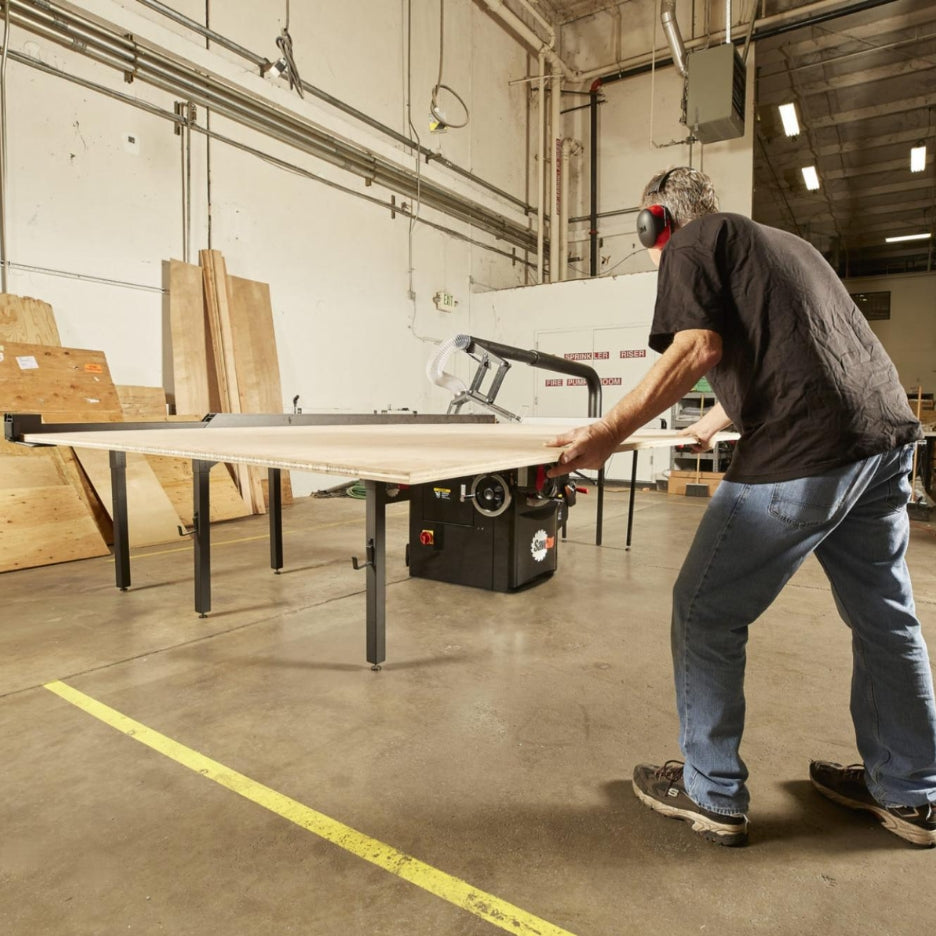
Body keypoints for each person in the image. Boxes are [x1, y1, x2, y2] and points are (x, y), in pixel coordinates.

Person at [546, 165, 936, 848]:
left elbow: (698, 345)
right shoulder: (786, 247)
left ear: (654, 221)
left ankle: (711, 789)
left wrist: (609, 431)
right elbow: (804, 346)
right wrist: (722, 415)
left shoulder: (689, 244)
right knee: (885, 615)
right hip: (883, 442)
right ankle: (910, 789)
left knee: (705, 608)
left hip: (807, 448)